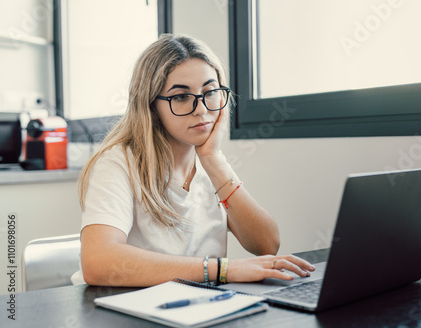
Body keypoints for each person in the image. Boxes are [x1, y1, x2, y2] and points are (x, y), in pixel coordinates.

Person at [73, 34, 314, 287]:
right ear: (151, 106)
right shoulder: (118, 163)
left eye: (209, 92)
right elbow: (97, 263)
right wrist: (222, 270)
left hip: (194, 306)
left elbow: (267, 244)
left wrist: (213, 160)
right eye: (180, 97)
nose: (201, 109)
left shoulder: (210, 165)